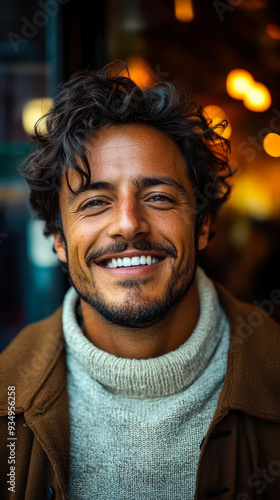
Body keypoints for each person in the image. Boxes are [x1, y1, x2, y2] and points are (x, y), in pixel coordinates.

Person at [1, 63, 280, 500]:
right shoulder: (5, 398)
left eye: (158, 197)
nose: (128, 224)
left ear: (202, 224)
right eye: (95, 202)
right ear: (58, 237)